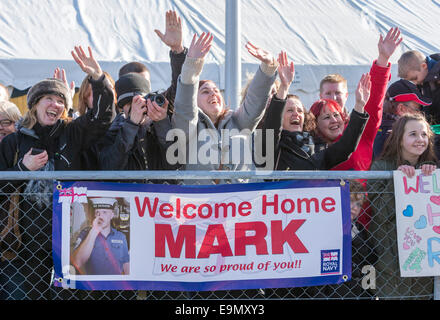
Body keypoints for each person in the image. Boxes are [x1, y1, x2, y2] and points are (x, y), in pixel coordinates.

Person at [0, 45, 114, 299]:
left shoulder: (72, 132)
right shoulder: (14, 142)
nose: (56, 104)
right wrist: (22, 170)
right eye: (49, 99)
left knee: (71, 296)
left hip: (72, 235)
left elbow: (102, 118)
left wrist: (98, 78)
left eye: (61, 100)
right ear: (35, 105)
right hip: (28, 238)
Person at [171, 32, 278, 184]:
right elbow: (184, 106)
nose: (213, 94)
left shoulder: (237, 121)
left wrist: (268, 68)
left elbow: (255, 102)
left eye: (216, 90)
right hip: (198, 204)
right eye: (205, 91)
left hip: (237, 204)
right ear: (195, 99)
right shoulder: (189, 126)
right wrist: (191, 65)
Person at [309, 27, 402, 173]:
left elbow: (374, 100)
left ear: (347, 95)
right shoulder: (309, 145)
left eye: (336, 115)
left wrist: (383, 59)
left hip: (361, 196)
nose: (334, 98)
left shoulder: (361, 129)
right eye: (326, 116)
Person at [263, 51, 371, 171]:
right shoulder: (271, 146)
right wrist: (284, 87)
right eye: (289, 110)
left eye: (300, 110)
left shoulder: (319, 147)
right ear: (279, 118)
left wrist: (359, 106)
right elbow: (271, 127)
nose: (296, 114)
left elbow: (346, 146)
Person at [368, 113, 437, 299]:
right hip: (391, 262)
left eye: (424, 134)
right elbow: (381, 212)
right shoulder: (380, 168)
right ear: (399, 139)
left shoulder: (433, 169)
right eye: (413, 134)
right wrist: (397, 181)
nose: (420, 139)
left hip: (425, 263)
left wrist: (430, 175)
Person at [373, 79, 432, 160]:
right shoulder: (389, 135)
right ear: (401, 109)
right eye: (418, 109)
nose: (421, 114)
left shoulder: (379, 127)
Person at [71, 197, 129, 275]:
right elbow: (77, 263)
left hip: (115, 285)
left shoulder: (121, 237)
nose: (100, 216)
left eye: (104, 212)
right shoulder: (85, 234)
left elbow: (126, 265)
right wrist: (94, 231)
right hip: (93, 285)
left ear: (112, 215)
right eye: (97, 212)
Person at [398, 50, 440, 124]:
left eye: (414, 78)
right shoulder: (423, 78)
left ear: (424, 66)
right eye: (410, 81)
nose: (414, 83)